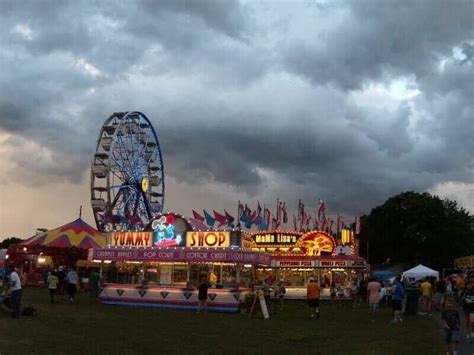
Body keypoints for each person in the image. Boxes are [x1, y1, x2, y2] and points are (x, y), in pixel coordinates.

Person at [460, 273, 474, 342]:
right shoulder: (464, 291)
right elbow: (460, 299)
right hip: (466, 308)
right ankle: (468, 336)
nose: (469, 286)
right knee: (467, 322)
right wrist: (462, 299)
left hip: (472, 308)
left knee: (472, 322)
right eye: (471, 278)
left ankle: (472, 335)